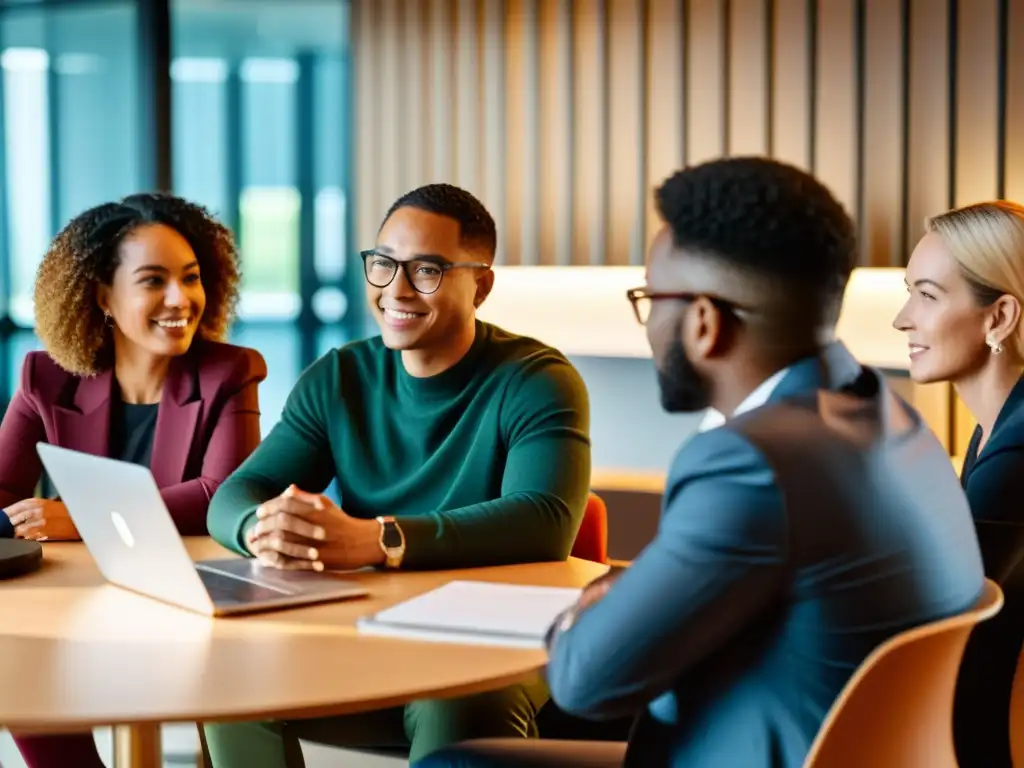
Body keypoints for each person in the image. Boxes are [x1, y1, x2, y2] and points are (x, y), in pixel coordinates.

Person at [418, 157, 986, 768]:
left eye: (650, 298)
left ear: (705, 322)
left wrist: (587, 608)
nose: (649, 323)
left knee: (454, 762)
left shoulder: (750, 464)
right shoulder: (891, 420)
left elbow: (585, 682)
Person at [201, 183, 592, 767]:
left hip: (490, 643)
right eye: (383, 264)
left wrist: (379, 538)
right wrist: (266, 527)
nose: (396, 290)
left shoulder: (536, 378)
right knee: (232, 676)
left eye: (427, 270)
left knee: (454, 701)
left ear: (480, 284)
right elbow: (236, 494)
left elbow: (544, 520)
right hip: (364, 629)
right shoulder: (339, 377)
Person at [2, 193, 267, 768]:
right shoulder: (44, 376)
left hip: (190, 596)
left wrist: (84, 519)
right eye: (153, 281)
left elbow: (221, 492)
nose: (181, 299)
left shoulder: (231, 370)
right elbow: (2, 490)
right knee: (15, 670)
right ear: (102, 296)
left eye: (191, 278)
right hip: (70, 599)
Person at [893, 200, 1024, 767]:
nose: (902, 319)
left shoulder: (1014, 456)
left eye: (927, 295)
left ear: (999, 318)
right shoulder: (994, 437)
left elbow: (944, 634)